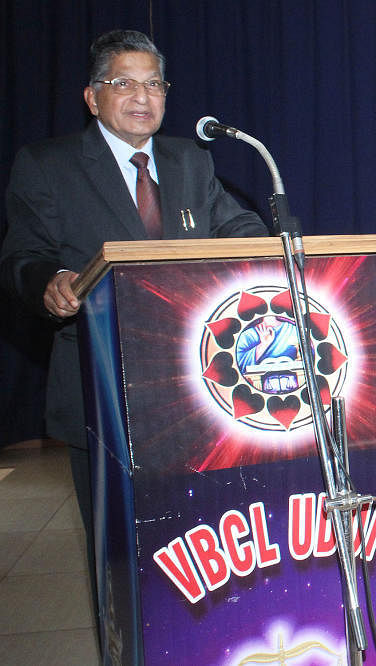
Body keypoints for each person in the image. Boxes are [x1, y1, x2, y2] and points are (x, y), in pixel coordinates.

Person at [0, 29, 266, 594]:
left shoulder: (189, 159)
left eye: (154, 83)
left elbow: (235, 223)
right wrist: (49, 282)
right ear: (93, 97)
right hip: (102, 389)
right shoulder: (47, 165)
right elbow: (23, 255)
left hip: (199, 386)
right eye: (124, 83)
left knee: (201, 548)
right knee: (120, 558)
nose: (143, 96)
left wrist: (269, 248)